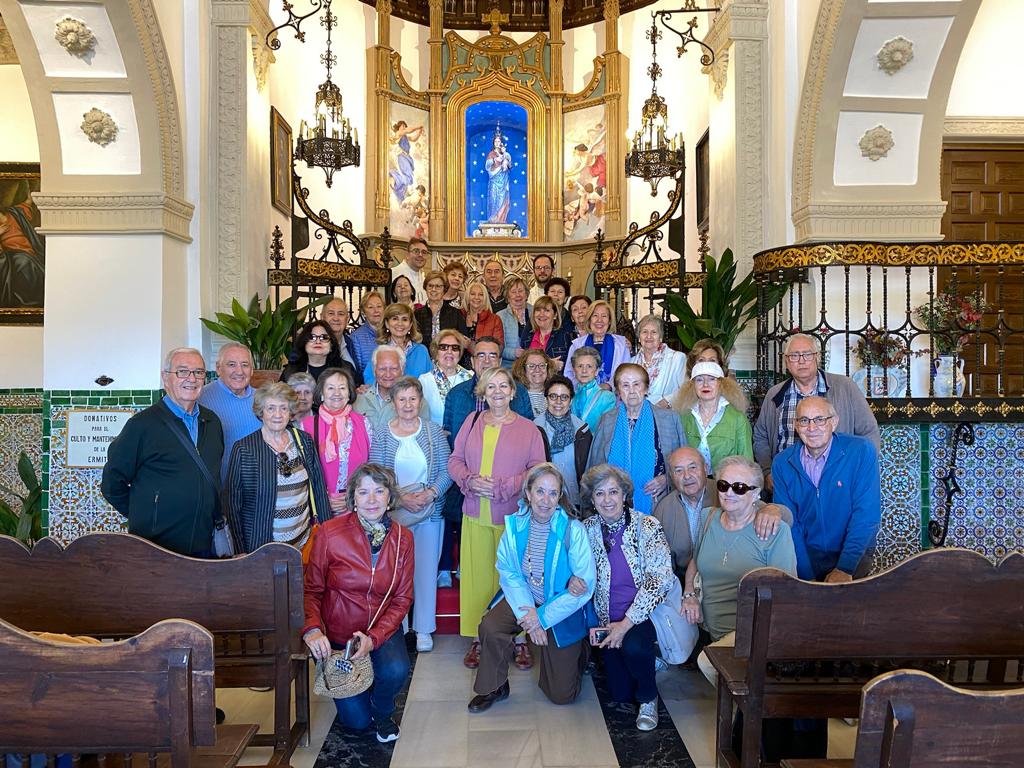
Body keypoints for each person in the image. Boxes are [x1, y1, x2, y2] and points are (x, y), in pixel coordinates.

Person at [468, 463, 596, 712]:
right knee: (491, 626)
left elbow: (584, 586)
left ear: (560, 496)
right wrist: (531, 617)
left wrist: (542, 617)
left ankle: (581, 652)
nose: (546, 500)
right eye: (540, 491)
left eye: (553, 493)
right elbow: (510, 573)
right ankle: (495, 687)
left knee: (561, 695)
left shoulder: (573, 530)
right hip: (526, 599)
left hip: (560, 607)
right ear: (528, 493)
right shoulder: (515, 527)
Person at [302, 463, 414, 744]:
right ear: (353, 498)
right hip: (339, 636)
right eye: (363, 492)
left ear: (390, 497)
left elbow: (402, 599)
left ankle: (382, 708)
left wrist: (373, 639)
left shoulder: (404, 539)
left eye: (379, 491)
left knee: (396, 670)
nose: (372, 500)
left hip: (381, 628)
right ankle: (361, 692)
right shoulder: (329, 533)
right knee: (357, 723)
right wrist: (313, 629)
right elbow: (311, 590)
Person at [448, 367, 546, 670]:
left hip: (513, 518)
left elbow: (538, 469)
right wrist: (469, 480)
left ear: (513, 392)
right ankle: (479, 638)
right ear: (483, 393)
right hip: (475, 513)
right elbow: (455, 460)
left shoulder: (529, 429)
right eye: (491, 387)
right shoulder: (472, 421)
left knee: (515, 580)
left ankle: (519, 639)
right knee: (478, 580)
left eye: (504, 386)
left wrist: (506, 486)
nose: (498, 392)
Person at [683, 456, 797, 683]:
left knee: (708, 664)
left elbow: (787, 592)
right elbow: (695, 561)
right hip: (713, 629)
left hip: (755, 632)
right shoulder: (708, 517)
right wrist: (689, 594)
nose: (729, 493)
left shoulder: (775, 530)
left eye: (739, 487)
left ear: (756, 494)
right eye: (723, 485)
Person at [101, 348, 224, 557]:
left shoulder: (212, 422)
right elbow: (112, 484)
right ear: (165, 378)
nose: (192, 379)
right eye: (182, 372)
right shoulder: (141, 425)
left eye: (198, 372)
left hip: (205, 546)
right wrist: (148, 516)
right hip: (156, 549)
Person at [580, 464, 674, 732]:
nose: (607, 500)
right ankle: (648, 662)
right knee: (620, 693)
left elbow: (660, 580)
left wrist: (625, 624)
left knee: (634, 647)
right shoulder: (586, 529)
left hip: (645, 615)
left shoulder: (647, 526)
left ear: (624, 495)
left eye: (613, 492)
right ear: (592, 499)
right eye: (599, 493)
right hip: (606, 618)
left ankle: (648, 698)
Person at [438, 336, 533, 589]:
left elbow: (530, 445)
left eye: (492, 355)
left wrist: (505, 484)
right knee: (476, 573)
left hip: (510, 502)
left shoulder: (521, 395)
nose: (487, 360)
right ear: (472, 361)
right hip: (469, 490)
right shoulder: (457, 395)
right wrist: (468, 479)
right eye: (481, 355)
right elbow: (450, 438)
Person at [369, 377, 452, 653]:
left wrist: (430, 494)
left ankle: (424, 629)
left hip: (429, 513)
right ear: (393, 403)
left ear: (420, 401)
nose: (407, 404)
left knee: (425, 573)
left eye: (412, 399)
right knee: (396, 574)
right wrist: (401, 499)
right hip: (394, 516)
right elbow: (376, 475)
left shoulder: (433, 432)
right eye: (401, 399)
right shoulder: (382, 433)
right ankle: (398, 627)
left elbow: (447, 470)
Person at [770, 396, 881, 583]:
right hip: (807, 554)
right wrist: (806, 576)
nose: (811, 428)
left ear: (834, 422)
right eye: (804, 420)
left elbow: (867, 515)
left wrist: (845, 567)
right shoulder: (782, 463)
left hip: (855, 553)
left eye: (820, 419)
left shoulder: (861, 451)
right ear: (796, 425)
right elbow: (790, 523)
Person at [752, 333, 880, 491]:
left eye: (807, 354)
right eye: (794, 355)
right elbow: (761, 436)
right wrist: (767, 472)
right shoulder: (775, 394)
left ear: (817, 357)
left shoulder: (845, 387)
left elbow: (869, 432)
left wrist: (858, 472)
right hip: (786, 482)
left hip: (838, 483)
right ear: (786, 361)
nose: (801, 361)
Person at [225, 382, 332, 553]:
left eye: (283, 408)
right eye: (271, 408)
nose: (277, 414)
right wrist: (240, 550)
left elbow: (318, 488)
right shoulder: (244, 449)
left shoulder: (304, 441)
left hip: (304, 543)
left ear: (290, 412)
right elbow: (233, 504)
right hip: (262, 547)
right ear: (261, 412)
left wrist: (328, 537)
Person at [654, 447, 791, 581]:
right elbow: (663, 565)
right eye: (678, 470)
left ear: (705, 468)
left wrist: (773, 509)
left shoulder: (725, 490)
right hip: (687, 583)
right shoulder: (664, 509)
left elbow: (777, 515)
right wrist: (686, 590)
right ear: (671, 476)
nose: (687, 476)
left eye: (693, 467)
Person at [589, 364, 686, 514]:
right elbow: (594, 466)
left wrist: (667, 479)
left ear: (646, 388)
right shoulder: (607, 420)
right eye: (625, 385)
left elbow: (684, 463)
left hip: (657, 502)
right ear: (618, 391)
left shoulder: (669, 419)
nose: (632, 391)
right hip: (612, 505)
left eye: (636, 384)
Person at [304, 367, 373, 515]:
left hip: (358, 506)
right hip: (321, 507)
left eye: (342, 388)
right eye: (330, 388)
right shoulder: (307, 426)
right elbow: (303, 472)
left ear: (349, 393)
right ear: (321, 394)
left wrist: (352, 498)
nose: (337, 393)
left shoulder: (364, 423)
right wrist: (323, 499)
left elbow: (372, 466)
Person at [198, 342, 261, 481]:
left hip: (258, 485)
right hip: (218, 486)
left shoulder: (264, 399)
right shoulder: (201, 398)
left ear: (251, 370)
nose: (239, 371)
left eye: (245, 365)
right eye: (231, 364)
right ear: (218, 368)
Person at [677, 361, 753, 472]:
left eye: (712, 379)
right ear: (692, 386)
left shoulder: (738, 418)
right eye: (699, 380)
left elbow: (747, 462)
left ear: (721, 384)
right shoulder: (683, 417)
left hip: (726, 481)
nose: (705, 384)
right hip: (690, 481)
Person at [535, 375, 591, 510]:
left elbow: (589, 469)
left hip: (575, 501)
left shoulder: (582, 430)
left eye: (564, 397)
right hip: (544, 501)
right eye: (553, 396)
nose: (558, 402)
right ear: (546, 399)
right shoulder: (534, 429)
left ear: (571, 400)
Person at [354, 346, 428, 435]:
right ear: (374, 370)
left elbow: (424, 435)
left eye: (394, 369)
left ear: (402, 369)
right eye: (382, 369)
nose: (388, 374)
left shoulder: (416, 402)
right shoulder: (359, 399)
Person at [565, 300, 631, 387]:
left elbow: (626, 373)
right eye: (595, 315)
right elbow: (568, 375)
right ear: (589, 320)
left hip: (613, 393)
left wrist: (609, 386)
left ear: (610, 321)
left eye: (604, 316)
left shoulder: (621, 344)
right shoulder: (577, 345)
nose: (599, 320)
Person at [363, 303, 431, 384]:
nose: (400, 323)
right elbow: (369, 380)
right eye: (395, 319)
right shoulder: (379, 352)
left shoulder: (421, 351)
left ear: (410, 325)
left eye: (404, 319)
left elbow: (430, 381)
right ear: (387, 324)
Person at [419, 329, 473, 424]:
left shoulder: (470, 377)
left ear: (460, 353)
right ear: (436, 351)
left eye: (455, 348)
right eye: (443, 347)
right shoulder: (424, 380)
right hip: (435, 432)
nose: (449, 352)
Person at [631, 315, 686, 408]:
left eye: (654, 332)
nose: (649, 336)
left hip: (666, 413)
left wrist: (667, 401)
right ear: (639, 337)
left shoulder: (677, 358)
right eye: (644, 332)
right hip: (639, 413)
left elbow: (686, 388)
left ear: (660, 337)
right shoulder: (632, 362)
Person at [280, 318, 356, 385]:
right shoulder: (291, 372)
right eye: (312, 337)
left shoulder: (346, 369)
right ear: (304, 343)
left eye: (324, 337)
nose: (318, 341)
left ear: (331, 345)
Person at [570, 346, 616, 434]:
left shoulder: (607, 397)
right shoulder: (570, 396)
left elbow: (608, 431)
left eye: (589, 366)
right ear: (574, 370)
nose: (584, 370)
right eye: (580, 366)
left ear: (597, 371)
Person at [415, 270, 464, 349]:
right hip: (423, 356)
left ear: (444, 289)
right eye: (430, 286)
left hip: (449, 355)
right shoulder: (417, 314)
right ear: (425, 288)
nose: (433, 289)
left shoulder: (455, 313)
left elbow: (462, 341)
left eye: (438, 286)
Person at [527, 295, 572, 368]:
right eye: (538, 310)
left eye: (546, 310)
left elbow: (568, 366)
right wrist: (550, 364)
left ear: (555, 315)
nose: (541, 314)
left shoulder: (565, 337)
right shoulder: (527, 337)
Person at [461, 282, 504, 359]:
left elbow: (499, 349)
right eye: (473, 294)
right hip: (458, 362)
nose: (476, 297)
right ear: (467, 296)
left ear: (485, 298)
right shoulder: (459, 315)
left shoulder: (495, 319)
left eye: (481, 295)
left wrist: (471, 346)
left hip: (484, 362)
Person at [511, 349, 558, 418]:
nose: (537, 370)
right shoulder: (515, 395)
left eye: (542, 365)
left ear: (548, 369)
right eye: (531, 366)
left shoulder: (555, 393)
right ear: (523, 369)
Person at [498, 277, 531, 367]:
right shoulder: (500, 316)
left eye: (520, 291)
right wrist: (514, 353)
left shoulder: (536, 312)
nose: (518, 295)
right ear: (508, 297)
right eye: (513, 292)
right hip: (509, 366)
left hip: (533, 364)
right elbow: (497, 347)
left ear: (526, 294)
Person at [350, 291, 386, 375]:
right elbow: (358, 371)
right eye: (370, 307)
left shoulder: (392, 332)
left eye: (379, 306)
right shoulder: (356, 337)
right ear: (363, 312)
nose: (376, 310)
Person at [322, 297, 358, 370]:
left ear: (347, 319)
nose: (336, 318)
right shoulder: (314, 344)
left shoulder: (350, 343)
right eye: (331, 313)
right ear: (322, 317)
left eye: (341, 314)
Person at [485, 132, 512, 224]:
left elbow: (509, 166)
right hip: (494, 179)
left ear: (501, 143)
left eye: (498, 141)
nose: (497, 143)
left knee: (504, 199)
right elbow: (487, 166)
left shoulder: (505, 154)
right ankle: (494, 219)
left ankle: (501, 219)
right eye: (495, 141)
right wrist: (494, 160)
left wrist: (505, 157)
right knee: (494, 198)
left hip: (503, 179)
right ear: (493, 143)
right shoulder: (491, 154)